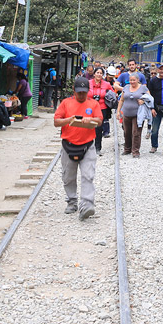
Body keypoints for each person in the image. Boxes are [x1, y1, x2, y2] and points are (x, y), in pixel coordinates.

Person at [54, 76, 103, 220]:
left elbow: (99, 121)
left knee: (88, 175)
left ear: (88, 91)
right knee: (68, 176)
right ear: (74, 91)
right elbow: (56, 122)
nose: (82, 95)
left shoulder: (93, 104)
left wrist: (91, 120)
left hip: (87, 145)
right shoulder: (65, 103)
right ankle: (72, 201)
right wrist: (68, 120)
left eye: (84, 92)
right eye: (79, 92)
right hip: (68, 144)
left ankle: (87, 204)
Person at [117, 75, 153, 157]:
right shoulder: (126, 87)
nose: (132, 82)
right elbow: (122, 100)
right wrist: (118, 111)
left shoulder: (143, 88)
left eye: (134, 80)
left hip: (138, 114)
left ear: (138, 80)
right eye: (131, 80)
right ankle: (127, 149)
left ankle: (135, 151)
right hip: (126, 113)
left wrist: (143, 101)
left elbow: (150, 98)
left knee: (136, 133)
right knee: (127, 132)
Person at [88, 67, 114, 155]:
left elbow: (112, 93)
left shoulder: (106, 84)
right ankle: (87, 146)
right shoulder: (88, 83)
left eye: (101, 73)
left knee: (99, 128)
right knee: (88, 127)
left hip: (101, 108)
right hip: (89, 108)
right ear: (94, 74)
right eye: (97, 72)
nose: (99, 74)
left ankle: (97, 147)